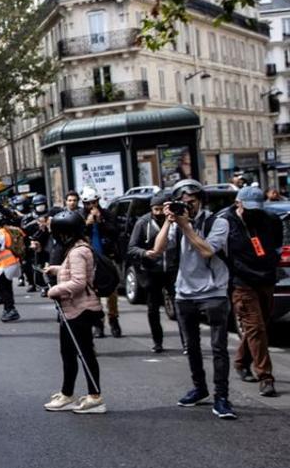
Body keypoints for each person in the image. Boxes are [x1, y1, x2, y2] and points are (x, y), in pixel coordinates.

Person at [151, 179, 236, 419]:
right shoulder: (177, 224)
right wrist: (169, 222)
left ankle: (222, 397)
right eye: (183, 203)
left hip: (214, 292)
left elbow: (207, 250)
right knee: (191, 346)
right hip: (184, 292)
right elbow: (157, 250)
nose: (188, 207)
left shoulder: (217, 222)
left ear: (200, 200)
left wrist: (186, 225)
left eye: (192, 202)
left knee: (218, 348)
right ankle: (200, 388)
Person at [42, 211, 106, 414]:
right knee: (68, 353)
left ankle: (95, 397)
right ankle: (67, 394)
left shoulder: (78, 251)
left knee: (85, 354)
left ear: (64, 233)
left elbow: (79, 282)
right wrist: (57, 269)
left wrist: (53, 290)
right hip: (73, 310)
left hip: (80, 310)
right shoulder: (78, 249)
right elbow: (76, 272)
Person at [226, 186, 283, 398]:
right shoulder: (226, 221)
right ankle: (265, 377)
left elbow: (277, 244)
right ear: (238, 203)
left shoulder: (270, 219)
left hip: (266, 278)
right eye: (249, 208)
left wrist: (272, 261)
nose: (253, 212)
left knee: (260, 325)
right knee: (256, 327)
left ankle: (241, 362)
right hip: (242, 282)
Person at [125, 192, 171, 352]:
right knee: (153, 308)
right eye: (155, 209)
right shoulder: (143, 222)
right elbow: (131, 248)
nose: (158, 213)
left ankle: (188, 343)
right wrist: (145, 253)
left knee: (180, 307)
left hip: (172, 270)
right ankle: (157, 342)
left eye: (161, 209)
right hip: (151, 271)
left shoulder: (175, 220)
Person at [79, 187, 121, 338]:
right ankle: (98, 324)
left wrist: (101, 221)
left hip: (107, 258)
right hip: (90, 259)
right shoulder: (80, 216)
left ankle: (114, 319)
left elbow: (115, 232)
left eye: (94, 202)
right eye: (88, 203)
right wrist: (87, 224)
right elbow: (78, 235)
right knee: (93, 293)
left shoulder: (107, 214)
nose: (91, 206)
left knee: (111, 292)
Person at [0, 211, 22, 323]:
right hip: (8, 263)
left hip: (5, 264)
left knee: (1, 287)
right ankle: (9, 309)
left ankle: (11, 310)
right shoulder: (2, 231)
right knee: (5, 287)